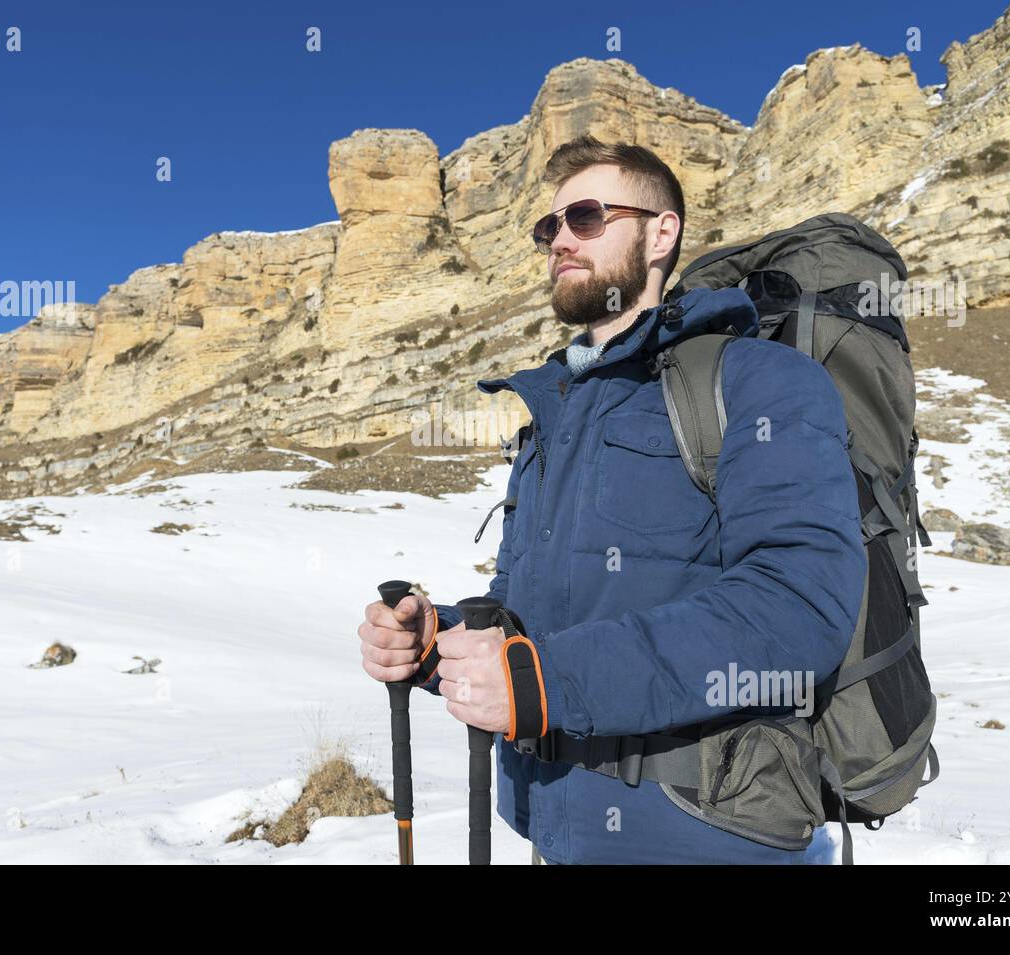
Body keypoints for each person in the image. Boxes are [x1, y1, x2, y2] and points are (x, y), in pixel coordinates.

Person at [358, 134, 865, 864]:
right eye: (549, 227)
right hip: (552, 832)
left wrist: (545, 683)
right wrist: (434, 641)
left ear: (663, 233)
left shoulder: (758, 381)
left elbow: (798, 606)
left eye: (587, 217)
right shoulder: (555, 416)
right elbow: (527, 612)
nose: (560, 239)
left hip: (710, 843)